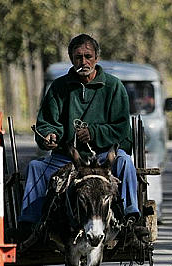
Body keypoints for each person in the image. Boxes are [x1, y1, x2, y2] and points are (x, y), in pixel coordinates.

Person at [19, 34, 140, 237]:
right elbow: (46, 123)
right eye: (78, 57)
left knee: (126, 162)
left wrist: (94, 132)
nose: (83, 62)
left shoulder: (113, 87)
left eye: (88, 56)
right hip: (67, 158)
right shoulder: (59, 88)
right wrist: (50, 136)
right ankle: (30, 225)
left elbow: (122, 130)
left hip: (102, 159)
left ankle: (131, 218)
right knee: (35, 167)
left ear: (96, 58)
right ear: (71, 58)